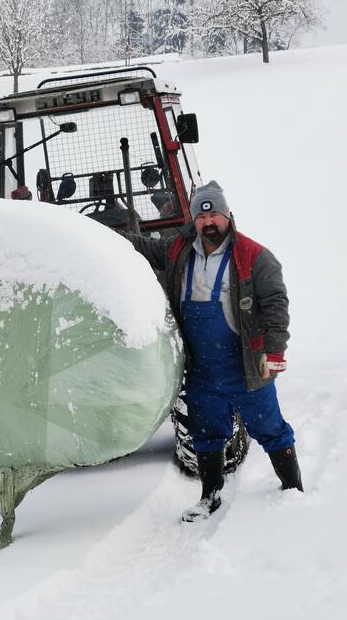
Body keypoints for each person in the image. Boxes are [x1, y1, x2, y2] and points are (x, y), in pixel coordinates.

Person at [122, 180, 303, 522]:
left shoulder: (254, 256)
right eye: (202, 217)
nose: (209, 222)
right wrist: (101, 235)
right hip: (201, 367)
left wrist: (275, 350)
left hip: (245, 365)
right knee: (205, 433)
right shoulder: (179, 249)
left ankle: (293, 489)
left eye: (214, 215)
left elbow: (275, 304)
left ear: (227, 215)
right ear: (194, 220)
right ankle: (209, 496)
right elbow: (143, 246)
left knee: (270, 428)